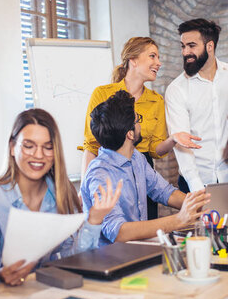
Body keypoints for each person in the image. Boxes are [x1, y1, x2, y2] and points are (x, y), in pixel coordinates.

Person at [0, 109, 121, 289]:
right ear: (12, 147)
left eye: (47, 147)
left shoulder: (60, 192)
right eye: (29, 145)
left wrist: (94, 220)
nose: (39, 155)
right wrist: (1, 276)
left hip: (52, 293)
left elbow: (72, 259)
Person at [81, 37, 201, 219]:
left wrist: (173, 139)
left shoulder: (156, 101)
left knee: (145, 221)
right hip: (109, 165)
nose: (158, 63)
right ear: (133, 60)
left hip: (141, 165)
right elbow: (91, 146)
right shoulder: (103, 93)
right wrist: (84, 190)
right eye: (152, 56)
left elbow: (155, 152)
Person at [81, 90, 209, 245]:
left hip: (137, 250)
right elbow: (118, 232)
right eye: (137, 120)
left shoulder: (136, 157)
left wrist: (205, 206)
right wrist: (178, 220)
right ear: (130, 134)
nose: (140, 124)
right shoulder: (99, 173)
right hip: (110, 260)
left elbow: (164, 192)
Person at [165, 18, 228, 193]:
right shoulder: (176, 89)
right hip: (195, 182)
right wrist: (196, 186)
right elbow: (181, 141)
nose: (186, 52)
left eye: (192, 45)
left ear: (210, 46)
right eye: (182, 46)